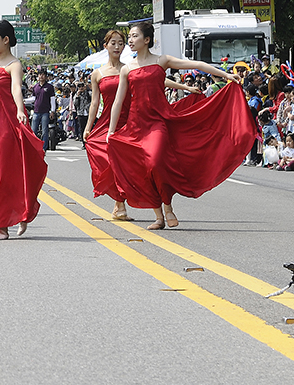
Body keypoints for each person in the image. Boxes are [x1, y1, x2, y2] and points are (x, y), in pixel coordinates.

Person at [105, 20, 254, 230]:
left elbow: (197, 65)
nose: (130, 40)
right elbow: (119, 101)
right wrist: (111, 131)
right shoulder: (127, 69)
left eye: (134, 36)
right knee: (145, 168)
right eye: (129, 36)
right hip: (135, 126)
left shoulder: (162, 61)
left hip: (158, 123)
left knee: (156, 162)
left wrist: (226, 74)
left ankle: (168, 206)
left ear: (147, 40)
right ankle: (159, 215)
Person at [0, 20, 47, 240]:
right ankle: (21, 207)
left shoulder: (14, 64)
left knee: (2, 175)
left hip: (7, 125)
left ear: (5, 40)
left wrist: (19, 109)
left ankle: (2, 225)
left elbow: (16, 88)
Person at [83, 29, 133, 221]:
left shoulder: (129, 69)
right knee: (109, 162)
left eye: (121, 43)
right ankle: (119, 203)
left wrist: (185, 87)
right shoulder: (97, 73)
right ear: (105, 46)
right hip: (107, 122)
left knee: (130, 164)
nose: (117, 46)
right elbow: (95, 103)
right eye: (113, 43)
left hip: (128, 122)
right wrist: (88, 128)